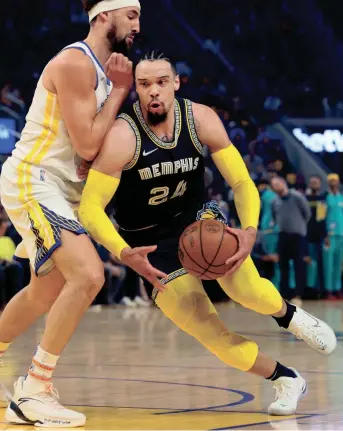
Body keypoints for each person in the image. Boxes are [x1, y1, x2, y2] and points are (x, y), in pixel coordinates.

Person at [78, 51, 337, 416]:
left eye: (162, 82)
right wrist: (123, 253)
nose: (154, 91)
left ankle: (288, 316)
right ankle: (285, 377)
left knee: (246, 290)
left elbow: (242, 181)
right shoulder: (123, 135)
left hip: (199, 225)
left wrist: (249, 231)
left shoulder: (200, 118)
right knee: (208, 331)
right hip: (150, 244)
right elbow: (90, 207)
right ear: (135, 89)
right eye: (144, 84)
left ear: (176, 84)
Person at [0, 0, 140, 427]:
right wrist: (122, 92)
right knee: (88, 275)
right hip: (34, 180)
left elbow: (93, 148)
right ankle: (34, 390)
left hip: (60, 191)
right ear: (104, 15)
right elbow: (88, 144)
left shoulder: (105, 74)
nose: (137, 26)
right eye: (132, 15)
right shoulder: (76, 62)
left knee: (45, 290)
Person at [271, 177, 311, 304]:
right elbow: (275, 216)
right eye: (274, 185)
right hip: (283, 235)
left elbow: (307, 214)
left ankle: (298, 294)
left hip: (297, 236)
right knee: (283, 266)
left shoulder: (297, 196)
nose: (276, 187)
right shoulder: (275, 201)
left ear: (283, 183)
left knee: (299, 265)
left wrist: (298, 226)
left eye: (278, 183)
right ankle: (284, 294)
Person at [305, 175, 327, 296]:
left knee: (320, 263)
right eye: (312, 182)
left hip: (319, 237)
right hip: (306, 235)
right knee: (309, 263)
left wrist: (325, 235)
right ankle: (308, 290)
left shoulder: (322, 198)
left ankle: (319, 290)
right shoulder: (305, 198)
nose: (314, 184)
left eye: (316, 183)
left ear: (319, 184)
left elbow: (322, 218)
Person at [324, 173, 343, 298]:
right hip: (329, 236)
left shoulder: (341, 198)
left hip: (341, 235)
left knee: (338, 263)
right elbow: (320, 217)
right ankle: (328, 290)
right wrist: (324, 235)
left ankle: (337, 289)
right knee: (328, 263)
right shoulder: (324, 198)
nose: (333, 183)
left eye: (335, 180)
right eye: (330, 180)